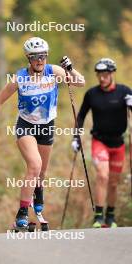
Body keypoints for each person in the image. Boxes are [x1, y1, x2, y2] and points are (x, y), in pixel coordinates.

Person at [0, 37, 85, 229]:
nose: (40, 60)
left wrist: (70, 69)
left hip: (47, 127)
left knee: (42, 172)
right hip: (26, 126)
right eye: (35, 57)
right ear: (28, 59)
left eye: (43, 56)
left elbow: (80, 82)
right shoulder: (20, 78)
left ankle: (38, 201)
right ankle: (22, 212)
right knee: (34, 166)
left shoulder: (53, 71)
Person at [72, 58, 132, 228]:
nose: (102, 78)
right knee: (102, 175)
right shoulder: (92, 94)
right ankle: (98, 216)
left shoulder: (124, 92)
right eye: (99, 75)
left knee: (113, 182)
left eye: (105, 75)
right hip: (99, 141)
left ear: (112, 74)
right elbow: (81, 115)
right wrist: (76, 137)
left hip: (118, 143)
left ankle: (110, 216)